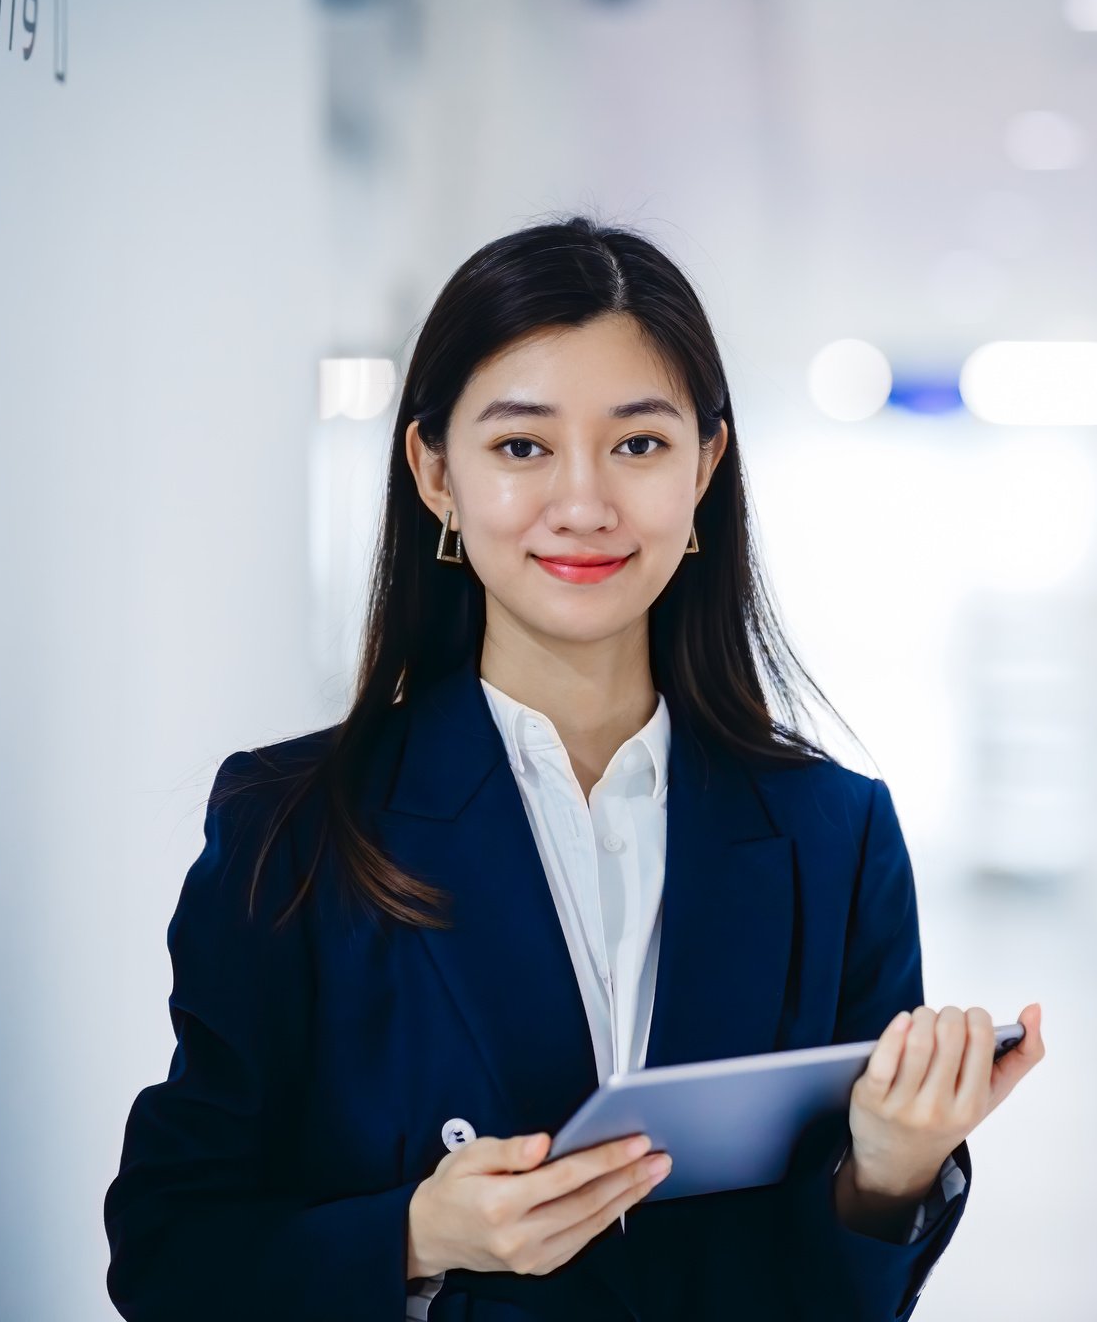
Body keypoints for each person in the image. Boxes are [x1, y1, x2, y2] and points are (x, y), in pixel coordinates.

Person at [102, 214, 1046, 1321]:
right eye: (522, 446)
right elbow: (170, 1252)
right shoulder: (298, 827)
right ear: (434, 472)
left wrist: (888, 1175)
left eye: (639, 444)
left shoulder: (832, 838)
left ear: (706, 466)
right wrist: (412, 1239)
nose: (586, 503)